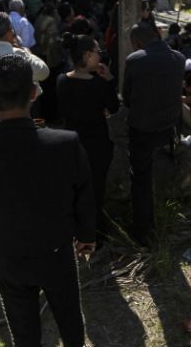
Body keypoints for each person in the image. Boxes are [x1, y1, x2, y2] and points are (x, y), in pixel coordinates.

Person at [0, 54, 95, 347]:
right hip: (57, 253)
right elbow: (84, 196)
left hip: (8, 258)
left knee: (24, 333)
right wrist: (87, 235)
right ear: (33, 92)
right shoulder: (65, 143)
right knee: (71, 323)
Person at [123, 22, 185, 245]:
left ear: (136, 43)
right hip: (168, 127)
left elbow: (127, 98)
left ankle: (143, 230)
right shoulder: (178, 58)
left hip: (142, 128)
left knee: (140, 177)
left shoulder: (135, 60)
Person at [57, 33, 119, 244]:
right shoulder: (98, 84)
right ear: (86, 55)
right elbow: (114, 107)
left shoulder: (61, 80)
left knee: (77, 188)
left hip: (72, 143)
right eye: (97, 52)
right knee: (96, 190)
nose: (100, 56)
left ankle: (77, 229)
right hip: (97, 144)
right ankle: (96, 234)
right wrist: (109, 79)